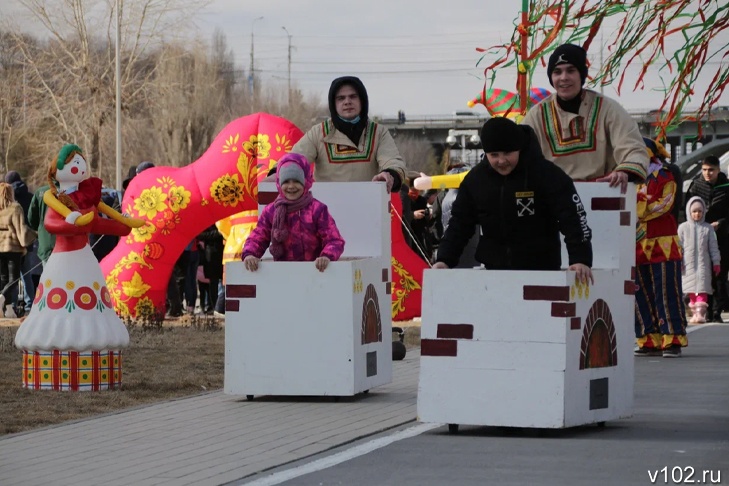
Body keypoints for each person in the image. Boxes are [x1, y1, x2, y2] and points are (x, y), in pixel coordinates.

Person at [433, 117, 593, 285]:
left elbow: (573, 217)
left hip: (542, 272)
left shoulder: (546, 174)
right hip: (495, 273)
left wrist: (580, 259)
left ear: (519, 149)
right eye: (494, 155)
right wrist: (444, 259)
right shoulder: (476, 180)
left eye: (507, 153)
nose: (501, 161)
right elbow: (459, 223)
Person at [522, 43, 649, 191]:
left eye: (571, 71)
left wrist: (624, 171)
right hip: (552, 197)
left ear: (581, 74)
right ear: (551, 77)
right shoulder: (536, 115)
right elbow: (519, 154)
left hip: (603, 192)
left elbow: (633, 147)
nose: (564, 78)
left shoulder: (608, 108)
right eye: (557, 72)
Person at [290, 76, 406, 193]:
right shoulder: (318, 133)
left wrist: (389, 175)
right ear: (333, 104)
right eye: (341, 98)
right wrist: (278, 174)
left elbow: (392, 161)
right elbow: (294, 159)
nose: (347, 102)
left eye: (353, 96)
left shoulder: (378, 132)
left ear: (362, 100)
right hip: (326, 208)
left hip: (369, 205)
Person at [242, 153, 345, 272]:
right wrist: (250, 253)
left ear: (306, 181)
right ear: (279, 183)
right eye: (286, 182)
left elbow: (334, 240)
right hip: (283, 274)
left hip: (315, 274)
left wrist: (326, 256)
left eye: (296, 181)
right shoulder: (271, 211)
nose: (291, 186)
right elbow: (258, 236)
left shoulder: (317, 209)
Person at [633, 150, 687, 357]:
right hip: (637, 242)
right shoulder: (630, 177)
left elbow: (665, 204)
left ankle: (672, 338)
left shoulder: (666, 175)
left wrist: (637, 208)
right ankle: (648, 337)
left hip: (663, 243)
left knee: (666, 292)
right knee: (640, 292)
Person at [684, 155, 729, 322]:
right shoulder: (696, 186)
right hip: (699, 236)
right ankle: (705, 312)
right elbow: (687, 209)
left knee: (719, 273)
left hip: (722, 236)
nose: (707, 173)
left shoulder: (726, 188)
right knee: (703, 274)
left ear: (718, 170)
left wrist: (721, 223)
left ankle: (716, 312)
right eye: (704, 170)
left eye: (711, 170)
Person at [678, 197, 721, 326]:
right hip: (687, 265)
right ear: (689, 212)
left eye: (700, 211)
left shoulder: (708, 229)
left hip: (703, 265)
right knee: (691, 290)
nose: (697, 214)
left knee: (702, 289)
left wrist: (716, 262)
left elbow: (713, 247)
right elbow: (678, 246)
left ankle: (701, 313)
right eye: (694, 211)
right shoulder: (683, 228)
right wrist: (678, 261)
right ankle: (694, 313)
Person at [0, 182, 37, 317]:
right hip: (13, 248)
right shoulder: (15, 208)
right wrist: (33, 236)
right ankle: (2, 296)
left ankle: (8, 309)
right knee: (14, 279)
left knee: (3, 278)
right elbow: (21, 230)